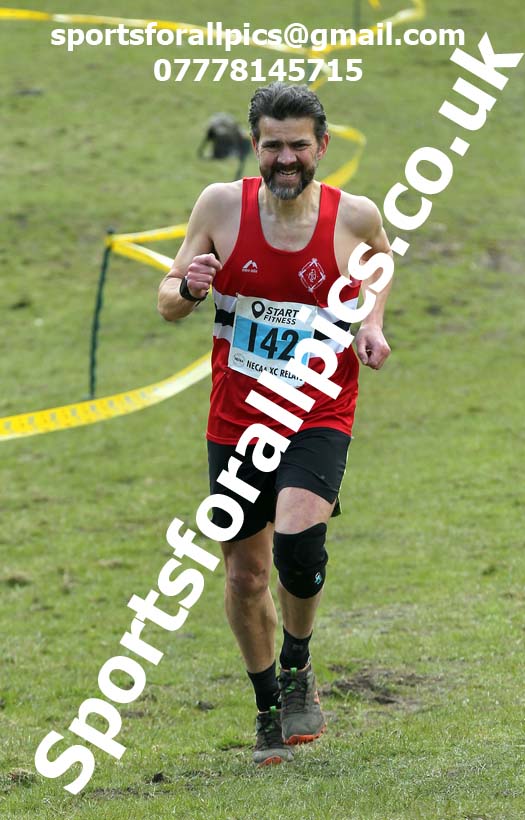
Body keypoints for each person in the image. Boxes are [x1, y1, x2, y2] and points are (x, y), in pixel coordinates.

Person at [157, 82, 392, 767]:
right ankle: (267, 709)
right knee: (244, 579)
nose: (284, 158)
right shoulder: (219, 207)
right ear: (253, 146)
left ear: (321, 147)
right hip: (237, 416)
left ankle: (297, 664)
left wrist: (370, 324)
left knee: (297, 541)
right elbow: (169, 302)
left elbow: (379, 263)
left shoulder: (353, 215)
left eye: (297, 145)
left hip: (317, 405)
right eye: (271, 145)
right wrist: (191, 286)